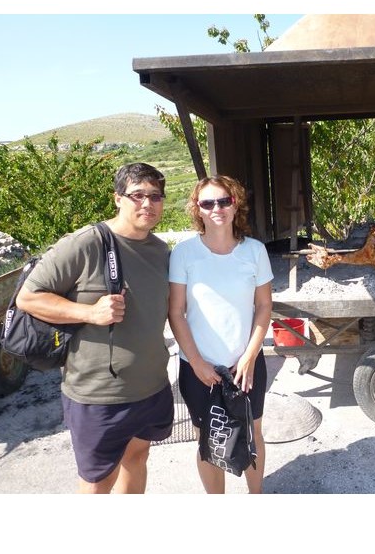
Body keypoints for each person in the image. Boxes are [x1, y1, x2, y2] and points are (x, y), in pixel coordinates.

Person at [16, 162, 174, 494]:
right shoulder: (87, 243)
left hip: (151, 386)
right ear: (117, 198)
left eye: (155, 196)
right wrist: (89, 313)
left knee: (137, 458)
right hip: (98, 394)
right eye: (137, 195)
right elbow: (28, 298)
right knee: (98, 479)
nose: (147, 203)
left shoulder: (161, 251)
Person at [168, 175, 273, 494]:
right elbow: (176, 312)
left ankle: (256, 497)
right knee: (208, 436)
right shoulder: (183, 253)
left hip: (246, 365)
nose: (217, 208)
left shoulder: (254, 251)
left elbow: (264, 306)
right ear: (197, 209)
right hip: (199, 368)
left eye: (224, 201)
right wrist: (198, 363)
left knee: (252, 430)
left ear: (235, 204)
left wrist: (250, 357)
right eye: (208, 203)